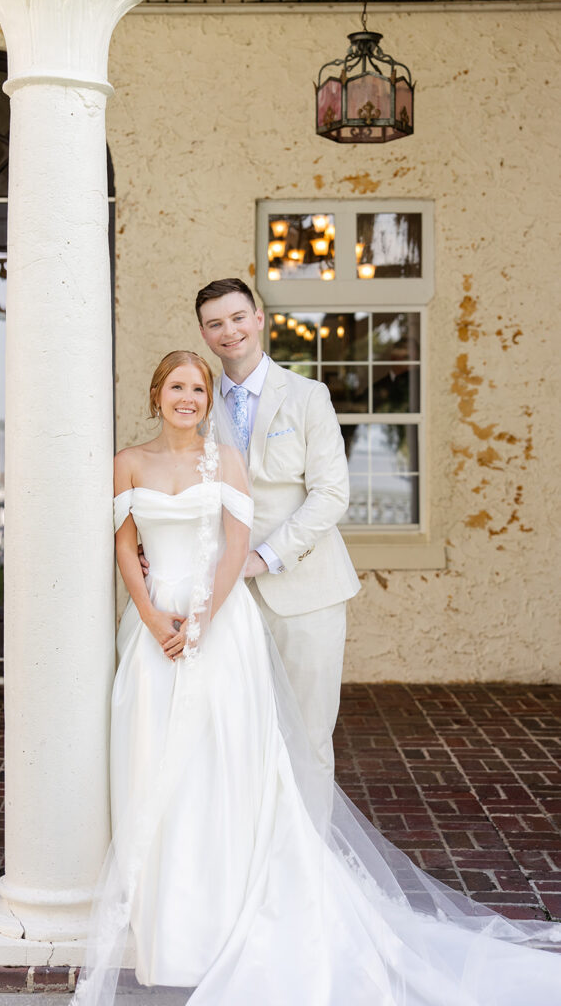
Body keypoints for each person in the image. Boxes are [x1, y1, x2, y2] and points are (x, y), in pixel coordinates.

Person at [74, 350, 561, 1006]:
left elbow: (236, 550)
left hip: (218, 630)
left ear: (207, 398)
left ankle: (218, 924)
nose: (187, 397)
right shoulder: (127, 463)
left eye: (198, 388)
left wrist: (199, 622)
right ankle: (163, 931)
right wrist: (151, 614)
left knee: (223, 764)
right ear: (156, 392)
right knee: (151, 759)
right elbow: (123, 545)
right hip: (151, 628)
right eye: (176, 386)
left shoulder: (228, 463)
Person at [196, 277, 360, 778]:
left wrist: (263, 556)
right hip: (226, 597)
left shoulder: (309, 396)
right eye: (215, 323)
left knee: (307, 737)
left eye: (238, 317)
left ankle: (306, 853)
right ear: (204, 333)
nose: (230, 332)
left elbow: (331, 494)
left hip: (305, 592)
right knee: (234, 735)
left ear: (259, 317)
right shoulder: (195, 406)